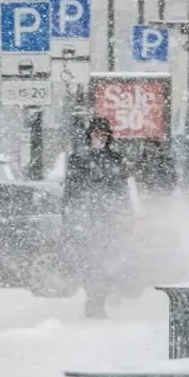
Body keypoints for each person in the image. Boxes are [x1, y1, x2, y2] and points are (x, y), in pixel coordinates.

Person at [62, 117, 132, 319]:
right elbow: (71, 190)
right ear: (90, 136)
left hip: (109, 219)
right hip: (88, 220)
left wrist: (124, 212)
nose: (99, 138)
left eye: (103, 135)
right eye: (96, 134)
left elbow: (122, 189)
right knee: (91, 263)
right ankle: (93, 300)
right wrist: (70, 216)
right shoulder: (78, 158)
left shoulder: (115, 158)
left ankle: (100, 299)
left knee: (108, 262)